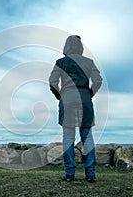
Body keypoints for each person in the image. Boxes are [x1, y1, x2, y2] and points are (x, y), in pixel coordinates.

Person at [49, 35, 102, 183]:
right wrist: (89, 94)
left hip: (67, 100)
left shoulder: (61, 62)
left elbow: (52, 82)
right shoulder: (89, 62)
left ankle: (69, 174)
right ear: (80, 46)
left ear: (66, 46)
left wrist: (60, 96)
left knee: (68, 137)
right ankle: (90, 174)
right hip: (85, 99)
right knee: (87, 137)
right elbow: (98, 81)